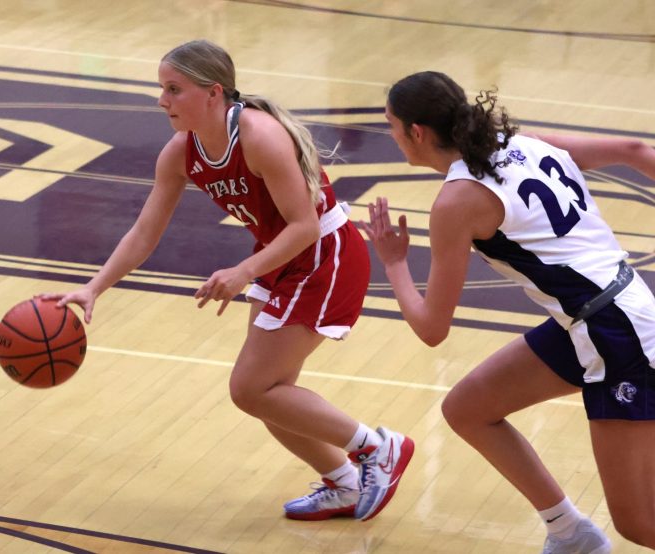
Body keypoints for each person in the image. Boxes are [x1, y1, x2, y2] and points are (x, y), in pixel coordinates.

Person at [42, 39, 414, 522]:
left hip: (325, 255)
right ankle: (343, 481)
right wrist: (94, 287)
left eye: (174, 89)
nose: (162, 100)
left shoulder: (259, 136)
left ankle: (377, 449)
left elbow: (304, 225)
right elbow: (144, 232)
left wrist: (243, 272)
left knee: (251, 388)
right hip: (280, 258)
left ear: (213, 93)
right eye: (162, 89)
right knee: (270, 396)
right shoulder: (180, 153)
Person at [363, 70, 655, 552]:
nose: (390, 135)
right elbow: (633, 150)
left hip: (613, 333)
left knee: (639, 523)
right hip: (610, 309)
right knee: (468, 409)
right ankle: (570, 533)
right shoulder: (519, 141)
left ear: (416, 132)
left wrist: (394, 264)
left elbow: (432, 329)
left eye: (391, 125)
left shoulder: (456, 201)